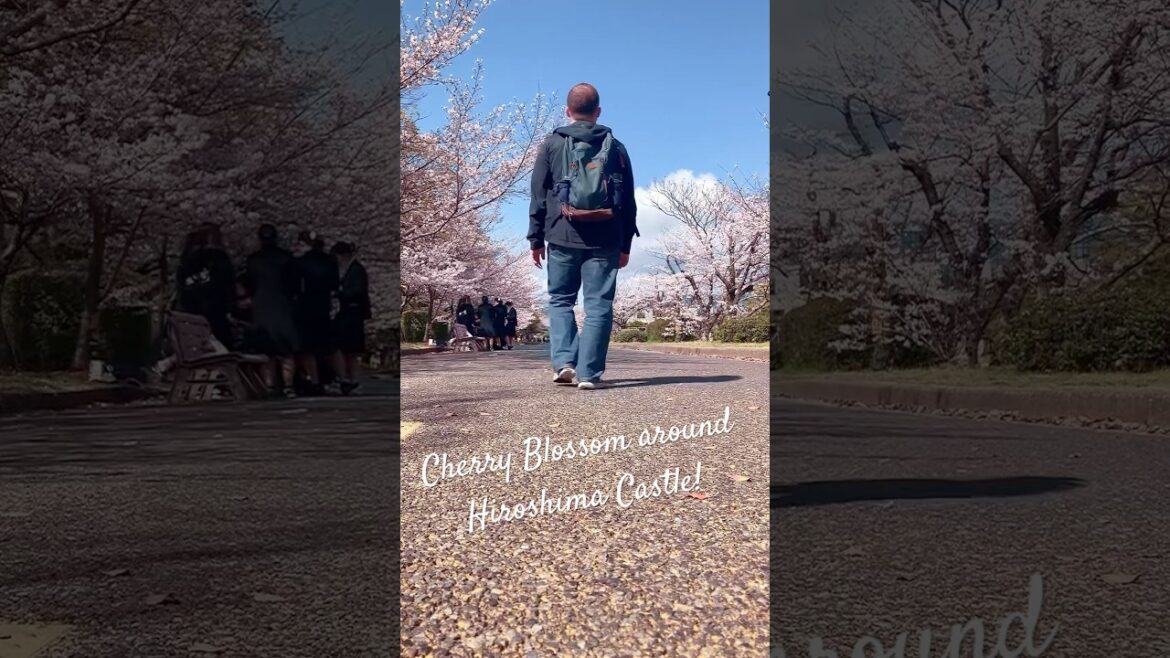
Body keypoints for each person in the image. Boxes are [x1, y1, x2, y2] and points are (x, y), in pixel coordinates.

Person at [527, 82, 638, 389]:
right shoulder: (616, 147)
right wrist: (625, 243)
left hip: (562, 233)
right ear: (598, 112)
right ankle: (589, 373)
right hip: (606, 236)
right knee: (599, 303)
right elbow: (628, 200)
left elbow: (537, 194)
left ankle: (564, 362)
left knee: (561, 299)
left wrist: (535, 239)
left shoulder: (551, 143)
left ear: (568, 111)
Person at [243, 224, 302, 398]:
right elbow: (295, 285)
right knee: (286, 350)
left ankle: (268, 386)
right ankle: (288, 386)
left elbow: (249, 284)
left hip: (261, 307)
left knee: (266, 350)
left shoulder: (253, 260)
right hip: (283, 305)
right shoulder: (287, 258)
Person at [175, 223, 236, 349]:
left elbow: (181, 288)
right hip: (215, 320)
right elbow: (229, 289)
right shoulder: (221, 260)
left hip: (188, 321)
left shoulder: (186, 262)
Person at [293, 230, 339, 395]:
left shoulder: (300, 263)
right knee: (329, 347)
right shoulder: (330, 262)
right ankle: (343, 379)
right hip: (324, 307)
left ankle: (315, 381)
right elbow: (334, 284)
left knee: (308, 348)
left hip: (305, 308)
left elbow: (295, 287)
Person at [329, 241, 370, 395]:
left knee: (347, 348)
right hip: (350, 313)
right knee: (349, 349)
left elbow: (357, 291)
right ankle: (350, 380)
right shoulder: (351, 269)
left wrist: (339, 293)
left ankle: (350, 380)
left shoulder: (356, 270)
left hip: (352, 313)